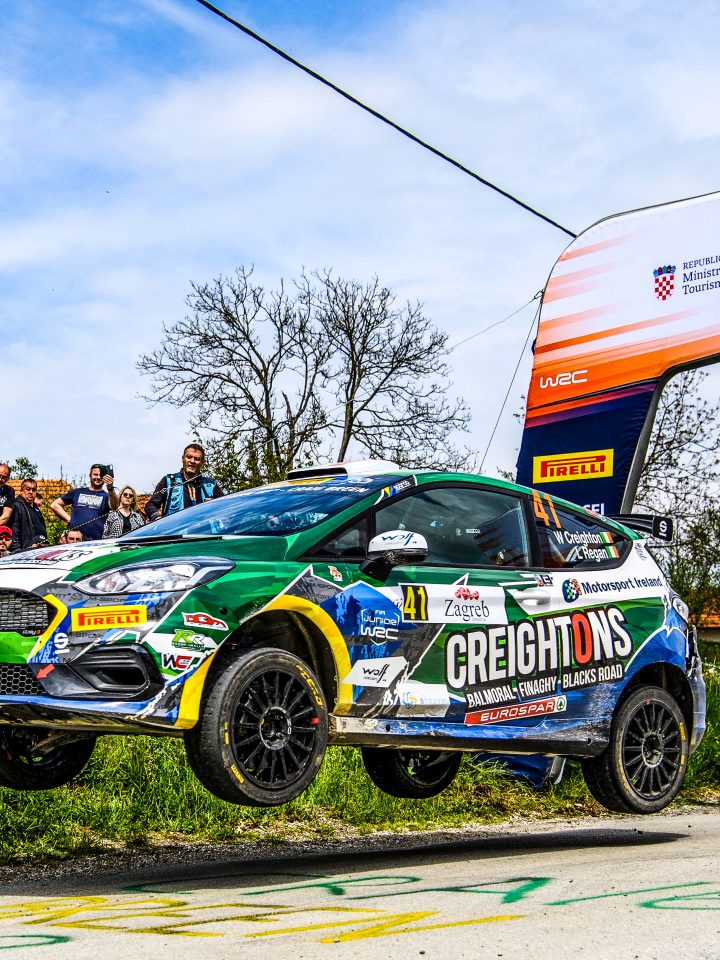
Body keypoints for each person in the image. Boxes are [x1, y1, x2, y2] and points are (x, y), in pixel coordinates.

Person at [144, 444, 224, 521]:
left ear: (202, 462)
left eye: (197, 459)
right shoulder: (169, 481)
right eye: (189, 457)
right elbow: (150, 505)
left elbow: (225, 506)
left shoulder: (211, 484)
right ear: (182, 459)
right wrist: (157, 517)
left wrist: (213, 506)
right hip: (176, 529)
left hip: (204, 529)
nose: (192, 461)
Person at [50, 465, 119, 541]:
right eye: (95, 474)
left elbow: (115, 506)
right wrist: (69, 520)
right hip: (74, 539)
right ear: (90, 476)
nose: (98, 477)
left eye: (101, 475)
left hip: (95, 541)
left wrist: (110, 488)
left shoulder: (107, 496)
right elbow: (55, 505)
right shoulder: (77, 492)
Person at [11, 479, 47, 552]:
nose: (31, 492)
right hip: (25, 551)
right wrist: (17, 551)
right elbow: (14, 532)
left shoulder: (36, 507)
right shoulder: (17, 506)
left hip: (40, 550)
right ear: (21, 491)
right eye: (28, 489)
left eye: (33, 490)